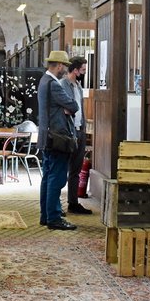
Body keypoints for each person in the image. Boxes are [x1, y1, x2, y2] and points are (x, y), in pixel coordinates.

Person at [37, 50, 79, 230]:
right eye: (65, 66)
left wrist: (66, 108)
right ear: (60, 66)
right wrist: (67, 108)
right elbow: (73, 105)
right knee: (57, 177)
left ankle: (46, 216)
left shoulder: (43, 81)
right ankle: (54, 218)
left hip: (47, 136)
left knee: (47, 176)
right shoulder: (54, 84)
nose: (65, 70)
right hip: (57, 137)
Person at [60, 56, 93, 215]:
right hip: (68, 131)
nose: (84, 72)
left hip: (80, 130)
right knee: (61, 169)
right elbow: (66, 108)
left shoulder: (78, 86)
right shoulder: (63, 85)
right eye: (83, 69)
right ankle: (56, 205)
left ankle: (73, 202)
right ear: (75, 69)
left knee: (76, 168)